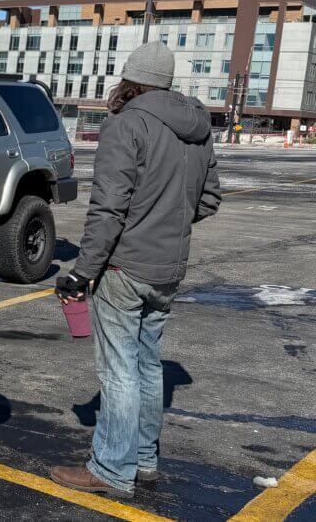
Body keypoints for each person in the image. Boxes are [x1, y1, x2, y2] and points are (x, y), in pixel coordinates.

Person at [49, 41, 221, 498]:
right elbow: (208, 200)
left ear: (130, 78)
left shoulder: (126, 126)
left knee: (119, 371)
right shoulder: (200, 130)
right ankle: (143, 460)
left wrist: (82, 272)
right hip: (169, 268)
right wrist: (168, 221)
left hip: (125, 266)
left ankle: (109, 468)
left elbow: (108, 210)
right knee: (147, 365)